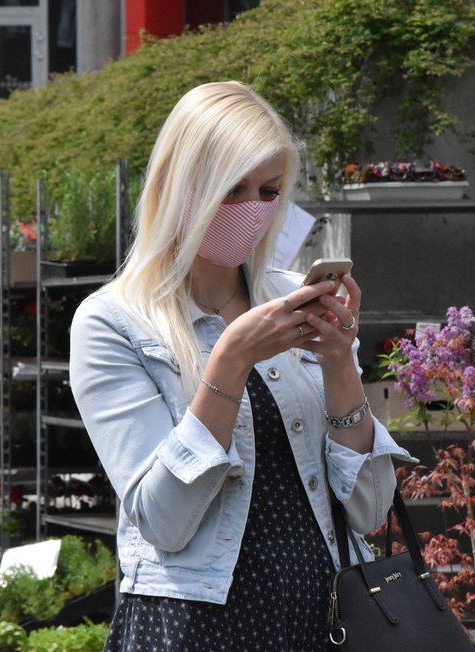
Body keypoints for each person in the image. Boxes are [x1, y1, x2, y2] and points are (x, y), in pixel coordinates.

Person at [68, 81, 415, 651]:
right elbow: (163, 523)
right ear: (181, 188)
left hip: (324, 612)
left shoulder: (290, 300)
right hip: (195, 621)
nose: (251, 209)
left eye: (268, 190)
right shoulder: (112, 323)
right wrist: (228, 361)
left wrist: (338, 364)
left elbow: (371, 509)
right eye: (232, 189)